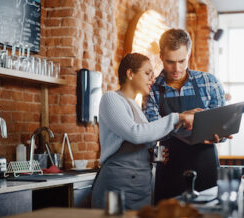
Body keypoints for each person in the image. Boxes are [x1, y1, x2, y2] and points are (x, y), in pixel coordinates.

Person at [91, 53, 197, 210]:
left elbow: (140, 139)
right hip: (117, 186)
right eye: (147, 73)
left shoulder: (136, 106)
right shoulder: (111, 99)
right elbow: (135, 134)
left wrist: (153, 154)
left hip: (140, 187)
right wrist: (177, 117)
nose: (152, 79)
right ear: (130, 74)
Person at [144, 28, 231, 203]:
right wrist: (182, 119)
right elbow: (151, 131)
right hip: (170, 168)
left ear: (189, 54)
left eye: (181, 61)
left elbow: (223, 126)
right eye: (170, 62)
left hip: (206, 165)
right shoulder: (151, 90)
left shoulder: (209, 83)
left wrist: (219, 135)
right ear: (161, 56)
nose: (176, 68)